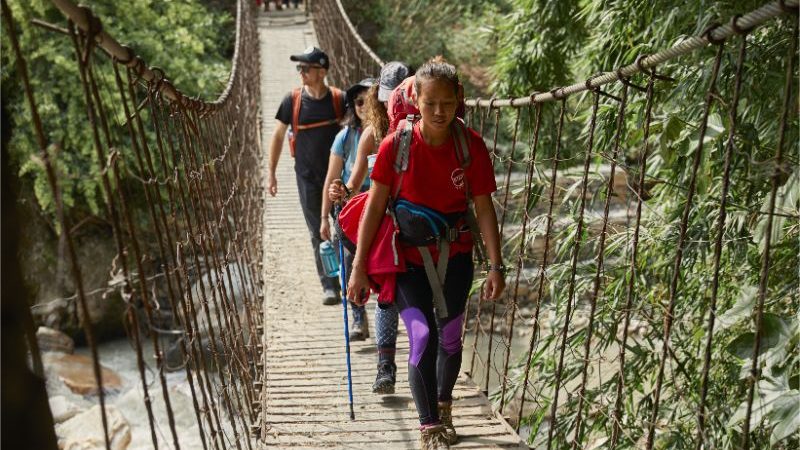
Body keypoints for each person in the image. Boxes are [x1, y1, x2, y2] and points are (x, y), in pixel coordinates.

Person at [347, 57, 506, 449]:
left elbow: (484, 208)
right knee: (421, 335)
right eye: (430, 102)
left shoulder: (470, 148)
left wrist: (497, 266)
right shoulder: (394, 146)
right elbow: (375, 207)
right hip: (408, 260)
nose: (439, 111)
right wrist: (359, 266)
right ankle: (429, 428)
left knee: (451, 338)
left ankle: (444, 404)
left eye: (447, 103)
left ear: (459, 100)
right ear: (415, 98)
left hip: (456, 256)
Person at [329, 61, 411, 395]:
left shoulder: (429, 130)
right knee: (388, 297)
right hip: (383, 227)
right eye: (392, 99)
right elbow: (352, 184)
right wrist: (341, 193)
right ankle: (385, 368)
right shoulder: (372, 136)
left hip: (418, 226)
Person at [268, 46, 345, 305]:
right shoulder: (292, 101)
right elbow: (278, 136)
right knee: (318, 232)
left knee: (345, 229)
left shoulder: (339, 100)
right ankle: (330, 285)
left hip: (339, 179)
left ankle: (348, 276)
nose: (301, 72)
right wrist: (271, 173)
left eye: (306, 68)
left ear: (322, 72)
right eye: (299, 68)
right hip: (308, 179)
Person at [320, 78, 375, 340]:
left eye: (369, 99)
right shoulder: (345, 136)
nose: (364, 106)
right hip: (352, 205)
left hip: (381, 201)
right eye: (358, 101)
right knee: (349, 262)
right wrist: (324, 217)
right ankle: (358, 319)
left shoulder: (391, 132)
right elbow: (332, 178)